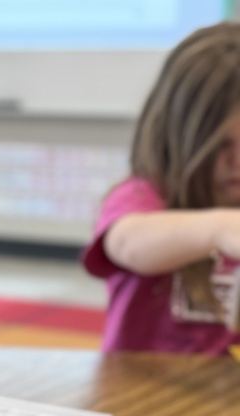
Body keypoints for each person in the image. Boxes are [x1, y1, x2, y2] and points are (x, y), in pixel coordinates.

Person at [82, 21, 240, 354]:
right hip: (139, 394)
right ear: (180, 136)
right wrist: (221, 228)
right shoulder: (143, 197)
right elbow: (126, 241)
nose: (237, 161)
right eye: (220, 145)